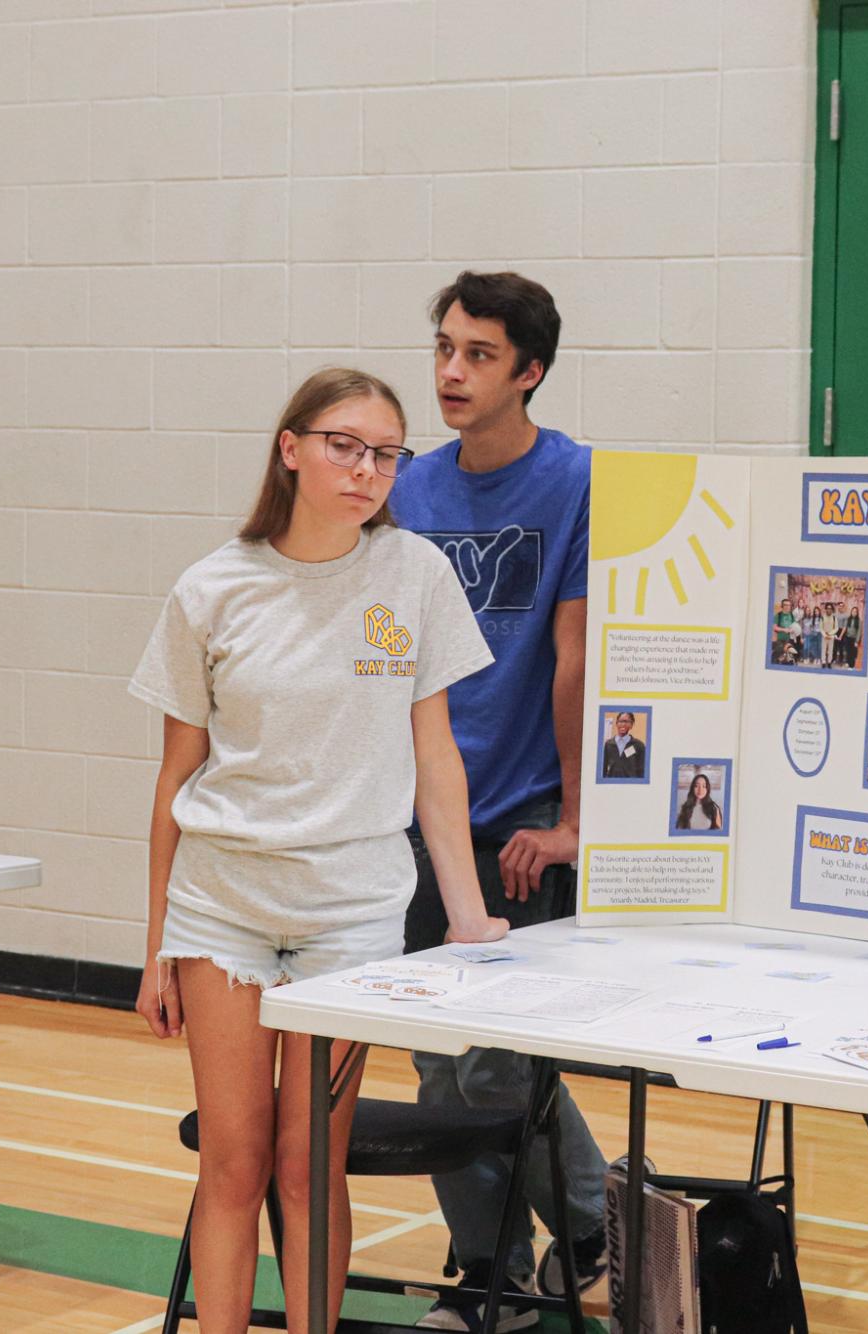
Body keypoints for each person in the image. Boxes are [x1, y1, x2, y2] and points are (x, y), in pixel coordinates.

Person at [130, 367, 510, 1334]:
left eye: (386, 453)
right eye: (345, 445)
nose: (367, 470)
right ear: (290, 446)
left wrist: (466, 916)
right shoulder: (211, 588)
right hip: (221, 910)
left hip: (353, 914)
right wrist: (156, 943)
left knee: (310, 1167)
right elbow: (176, 780)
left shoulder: (415, 574)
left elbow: (437, 763)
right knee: (233, 1164)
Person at [388, 271, 611, 1331]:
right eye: (443, 347)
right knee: (438, 1058)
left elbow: (574, 660)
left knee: (499, 1059)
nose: (450, 370)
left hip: (521, 820)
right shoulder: (411, 488)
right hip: (422, 816)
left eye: (477, 354)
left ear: (528, 370)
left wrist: (568, 818)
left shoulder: (573, 480)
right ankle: (497, 1270)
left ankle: (575, 1221)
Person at [601, 710, 645, 779]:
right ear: (616, 723)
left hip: (630, 784)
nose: (623, 724)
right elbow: (603, 768)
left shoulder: (639, 745)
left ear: (631, 725)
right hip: (612, 784)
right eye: (620, 721)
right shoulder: (608, 744)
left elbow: (642, 770)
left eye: (626, 722)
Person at [838, 599, 862, 669]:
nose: (854, 612)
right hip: (847, 637)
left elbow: (859, 631)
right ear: (851, 612)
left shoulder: (859, 621)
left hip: (854, 639)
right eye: (853, 611)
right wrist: (841, 636)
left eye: (855, 611)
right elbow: (845, 627)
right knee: (848, 652)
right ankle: (848, 663)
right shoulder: (848, 619)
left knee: (853, 653)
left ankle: (852, 665)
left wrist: (857, 641)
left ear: (857, 613)